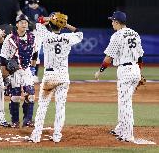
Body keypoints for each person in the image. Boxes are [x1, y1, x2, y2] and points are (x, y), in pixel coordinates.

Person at [29, 12, 83, 143]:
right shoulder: (67, 37)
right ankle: (57, 136)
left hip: (50, 76)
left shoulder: (46, 35)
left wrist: (52, 19)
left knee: (43, 106)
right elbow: (79, 33)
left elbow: (39, 21)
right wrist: (65, 24)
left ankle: (36, 136)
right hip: (64, 76)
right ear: (61, 26)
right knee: (60, 107)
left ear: (51, 25)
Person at [94, 11, 144, 142]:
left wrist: (100, 71)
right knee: (124, 101)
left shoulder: (117, 35)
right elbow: (140, 56)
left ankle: (128, 135)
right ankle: (121, 128)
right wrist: (139, 73)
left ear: (117, 22)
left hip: (125, 71)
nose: (111, 23)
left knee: (125, 103)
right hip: (135, 69)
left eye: (112, 21)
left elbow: (109, 57)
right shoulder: (135, 33)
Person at [0, 14, 38, 128]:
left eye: (25, 22)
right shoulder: (10, 38)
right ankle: (15, 121)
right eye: (21, 22)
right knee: (15, 96)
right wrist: (4, 75)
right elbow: (3, 57)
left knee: (30, 95)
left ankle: (28, 120)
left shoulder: (32, 37)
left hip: (26, 70)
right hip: (14, 71)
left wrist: (33, 68)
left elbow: (35, 53)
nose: (24, 24)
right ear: (17, 24)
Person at [22, 0, 48, 82]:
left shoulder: (41, 10)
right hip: (27, 33)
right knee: (26, 54)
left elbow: (46, 22)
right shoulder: (25, 9)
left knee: (35, 53)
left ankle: (34, 75)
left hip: (38, 33)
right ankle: (26, 74)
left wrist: (38, 24)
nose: (31, 4)